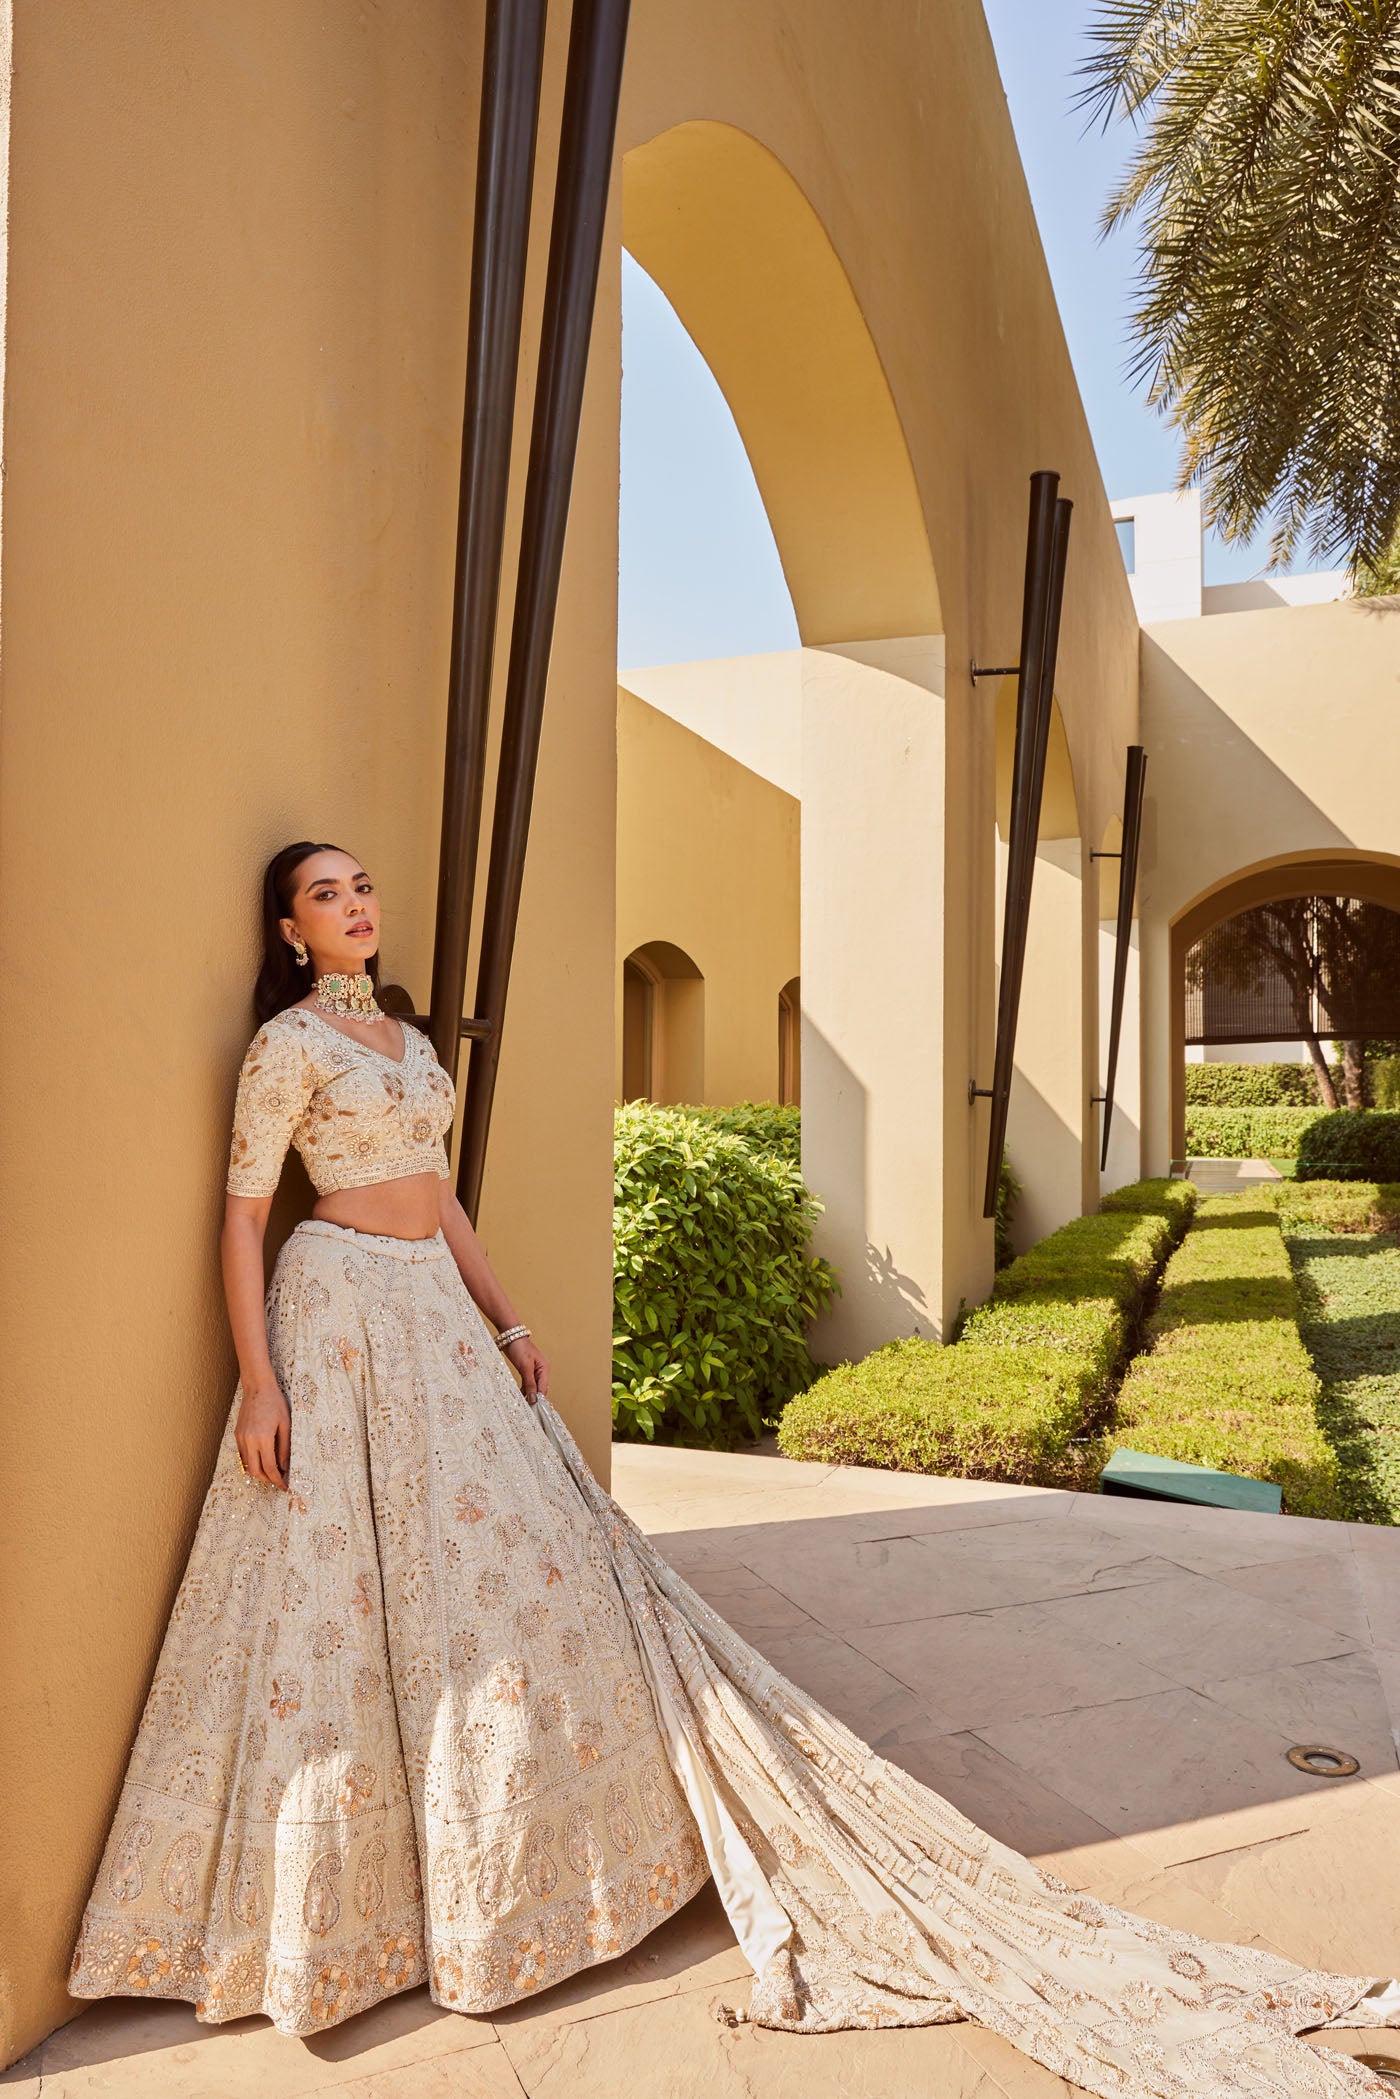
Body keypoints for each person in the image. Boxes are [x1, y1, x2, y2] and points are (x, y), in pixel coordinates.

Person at [69, 840, 1400, 2096]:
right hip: (341, 1313)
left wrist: (509, 1319)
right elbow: (245, 1217)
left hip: (433, 1308)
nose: (358, 904)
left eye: (362, 884)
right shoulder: (288, 1046)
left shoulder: (408, 1042)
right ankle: (371, 1907)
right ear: (289, 927)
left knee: (530, 1581)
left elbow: (444, 1193)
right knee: (357, 1602)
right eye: (327, 892)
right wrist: (262, 1379)